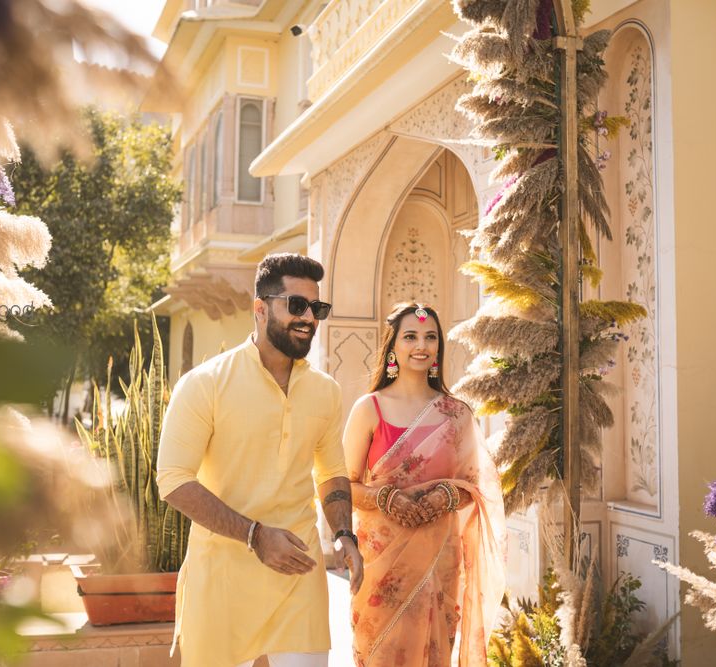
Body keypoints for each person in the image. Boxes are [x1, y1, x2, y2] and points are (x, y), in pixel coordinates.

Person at [156, 253, 363, 667]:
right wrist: (255, 536)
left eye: (316, 308)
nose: (308, 318)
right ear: (260, 307)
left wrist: (344, 534)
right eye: (296, 305)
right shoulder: (205, 384)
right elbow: (173, 480)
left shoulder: (325, 391)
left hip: (298, 577)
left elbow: (332, 472)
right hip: (223, 580)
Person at [342, 302, 506, 667]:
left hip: (438, 565)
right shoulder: (370, 408)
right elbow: (344, 486)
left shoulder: (456, 413)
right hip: (382, 567)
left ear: (438, 348)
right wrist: (386, 498)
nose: (422, 345)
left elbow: (475, 487)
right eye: (411, 336)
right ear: (393, 346)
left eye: (430, 337)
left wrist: (446, 495)